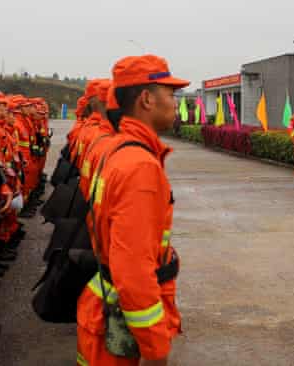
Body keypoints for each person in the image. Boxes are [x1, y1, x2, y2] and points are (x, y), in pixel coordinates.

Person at [77, 55, 187, 366]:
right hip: (120, 334)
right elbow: (133, 272)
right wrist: (154, 349)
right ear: (147, 99)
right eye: (171, 94)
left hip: (105, 308)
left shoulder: (117, 148)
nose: (176, 103)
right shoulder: (139, 166)